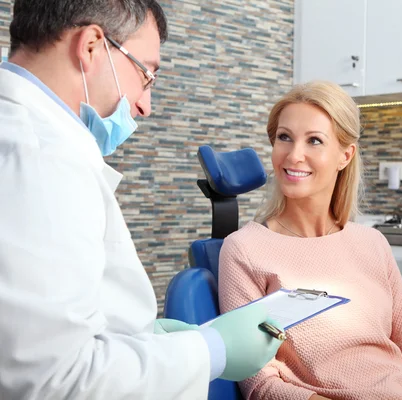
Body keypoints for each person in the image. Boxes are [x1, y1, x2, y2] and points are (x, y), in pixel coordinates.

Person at [0, 1, 282, 398]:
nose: (145, 107)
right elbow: (52, 380)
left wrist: (141, 336)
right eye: (146, 74)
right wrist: (212, 351)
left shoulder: (31, 142)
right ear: (92, 46)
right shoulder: (39, 159)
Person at [218, 80, 402, 400]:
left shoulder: (372, 243)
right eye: (284, 137)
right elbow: (260, 383)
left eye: (314, 140)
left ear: (345, 156)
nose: (294, 155)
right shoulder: (245, 249)